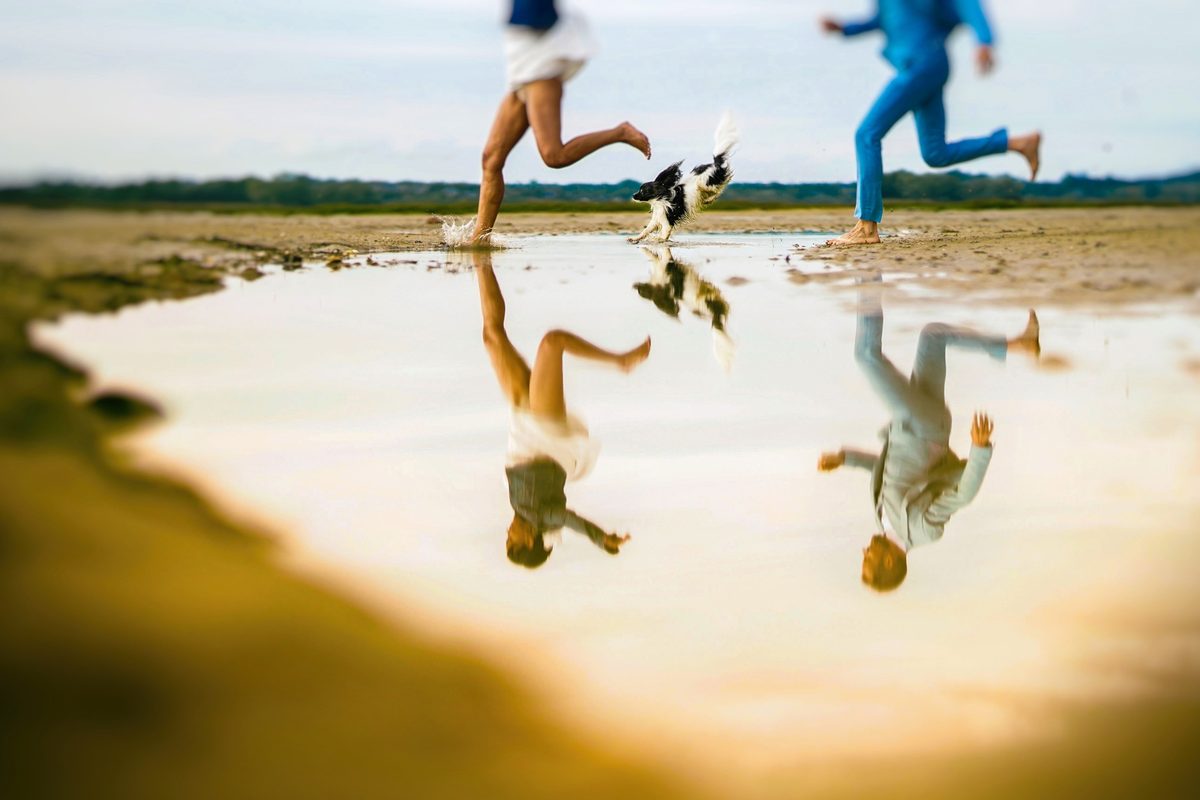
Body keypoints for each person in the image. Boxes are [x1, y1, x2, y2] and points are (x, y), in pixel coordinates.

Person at [818, 279, 1040, 590]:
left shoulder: (882, 520)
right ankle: (868, 274)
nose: (863, 553)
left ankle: (1018, 345)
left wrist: (845, 459)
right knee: (866, 356)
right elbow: (962, 495)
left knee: (933, 336)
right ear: (889, 562)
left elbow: (886, 468)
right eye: (868, 560)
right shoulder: (922, 530)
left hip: (917, 425)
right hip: (921, 426)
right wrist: (979, 448)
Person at [473, 250, 651, 567]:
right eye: (512, 539)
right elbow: (571, 520)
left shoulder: (520, 510)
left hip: (521, 424)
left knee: (492, 335)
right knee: (553, 342)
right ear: (529, 540)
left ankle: (480, 256)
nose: (508, 533)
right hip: (545, 431)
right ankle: (620, 361)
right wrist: (601, 539)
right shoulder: (545, 517)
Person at [819, 1, 1042, 245]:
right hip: (925, 67)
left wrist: (984, 41)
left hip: (921, 65)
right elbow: (881, 20)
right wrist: (843, 28)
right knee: (936, 154)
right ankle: (1017, 143)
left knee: (866, 134)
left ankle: (866, 227)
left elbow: (967, 3)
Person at [456, 1, 652, 246]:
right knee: (491, 159)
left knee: (554, 155)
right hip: (521, 66)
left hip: (541, 69)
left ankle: (620, 132)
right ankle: (480, 239)